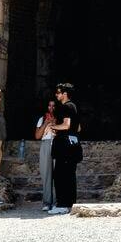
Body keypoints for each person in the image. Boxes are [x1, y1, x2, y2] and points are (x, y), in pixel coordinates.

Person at [48, 82, 83, 213]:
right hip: (73, 145)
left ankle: (62, 205)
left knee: (60, 175)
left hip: (64, 147)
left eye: (58, 92)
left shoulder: (66, 107)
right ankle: (69, 204)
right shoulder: (74, 106)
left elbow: (66, 125)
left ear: (65, 94)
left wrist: (53, 127)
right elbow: (78, 128)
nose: (56, 95)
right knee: (69, 176)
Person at [32, 96, 59, 210]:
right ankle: (47, 202)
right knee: (46, 173)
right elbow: (37, 136)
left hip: (58, 144)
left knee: (58, 173)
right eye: (49, 105)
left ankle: (57, 202)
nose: (51, 108)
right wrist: (46, 123)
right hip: (46, 144)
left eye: (53, 106)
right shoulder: (41, 119)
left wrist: (54, 124)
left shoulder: (60, 118)